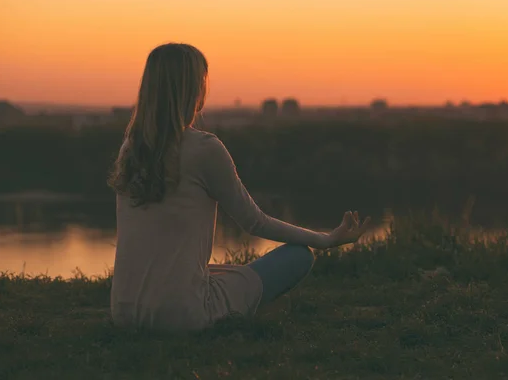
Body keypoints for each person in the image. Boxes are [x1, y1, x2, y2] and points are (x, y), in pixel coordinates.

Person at [108, 43, 371, 332]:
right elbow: (254, 221)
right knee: (298, 255)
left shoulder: (130, 149)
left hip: (124, 312)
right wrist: (325, 240)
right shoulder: (204, 148)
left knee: (214, 272)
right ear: (193, 90)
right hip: (182, 315)